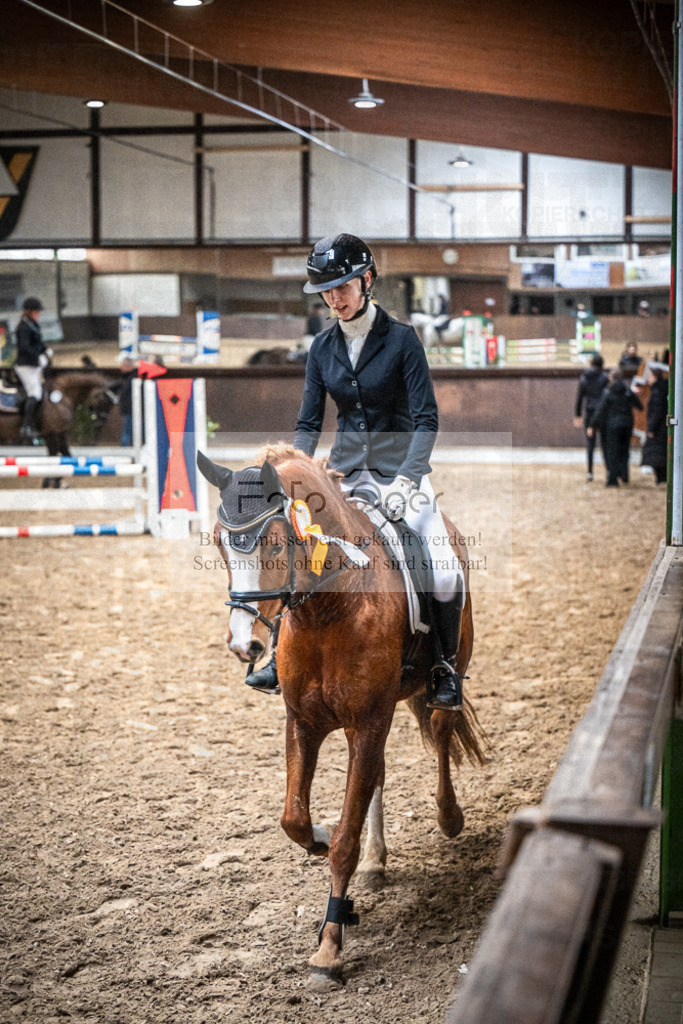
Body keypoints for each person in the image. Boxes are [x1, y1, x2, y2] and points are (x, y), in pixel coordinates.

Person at [245, 232, 465, 712]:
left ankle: (444, 665)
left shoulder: (403, 340)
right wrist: (296, 479)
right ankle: (278, 655)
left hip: (401, 474)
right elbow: (307, 421)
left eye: (342, 286)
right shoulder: (322, 348)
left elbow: (426, 419)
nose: (334, 297)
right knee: (298, 552)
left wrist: (410, 479)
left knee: (444, 569)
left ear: (366, 280)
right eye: (326, 290)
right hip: (343, 476)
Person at [588, 369, 643, 487]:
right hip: (627, 424)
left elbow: (600, 410)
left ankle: (613, 479)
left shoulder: (608, 392)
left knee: (613, 451)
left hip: (612, 425)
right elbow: (639, 406)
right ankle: (625, 475)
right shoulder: (628, 391)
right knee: (624, 450)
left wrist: (593, 425)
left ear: (612, 378)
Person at [14, 296, 52, 439]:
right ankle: (26, 426)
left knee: (43, 393)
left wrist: (46, 350)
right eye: (37, 312)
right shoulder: (23, 327)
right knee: (35, 393)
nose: (39, 314)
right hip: (26, 366)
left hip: (34, 366)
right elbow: (24, 347)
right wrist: (38, 356)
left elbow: (38, 343)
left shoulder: (33, 325)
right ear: (30, 312)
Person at [573, 354, 609, 481]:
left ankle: (590, 472)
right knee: (605, 443)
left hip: (589, 412)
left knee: (590, 444)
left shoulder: (584, 378)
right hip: (602, 413)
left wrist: (578, 415)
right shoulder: (605, 378)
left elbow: (579, 399)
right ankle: (608, 470)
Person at [641, 368, 668, 484]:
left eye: (649, 376)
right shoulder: (660, 390)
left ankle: (661, 477)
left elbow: (657, 411)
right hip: (661, 428)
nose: (647, 379)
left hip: (658, 430)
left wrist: (652, 428)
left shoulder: (657, 392)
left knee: (656, 453)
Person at [117, 353, 137, 447]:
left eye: (123, 364)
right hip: (128, 410)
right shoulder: (126, 378)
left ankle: (125, 449)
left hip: (131, 410)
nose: (121, 366)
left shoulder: (132, 377)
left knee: (128, 431)